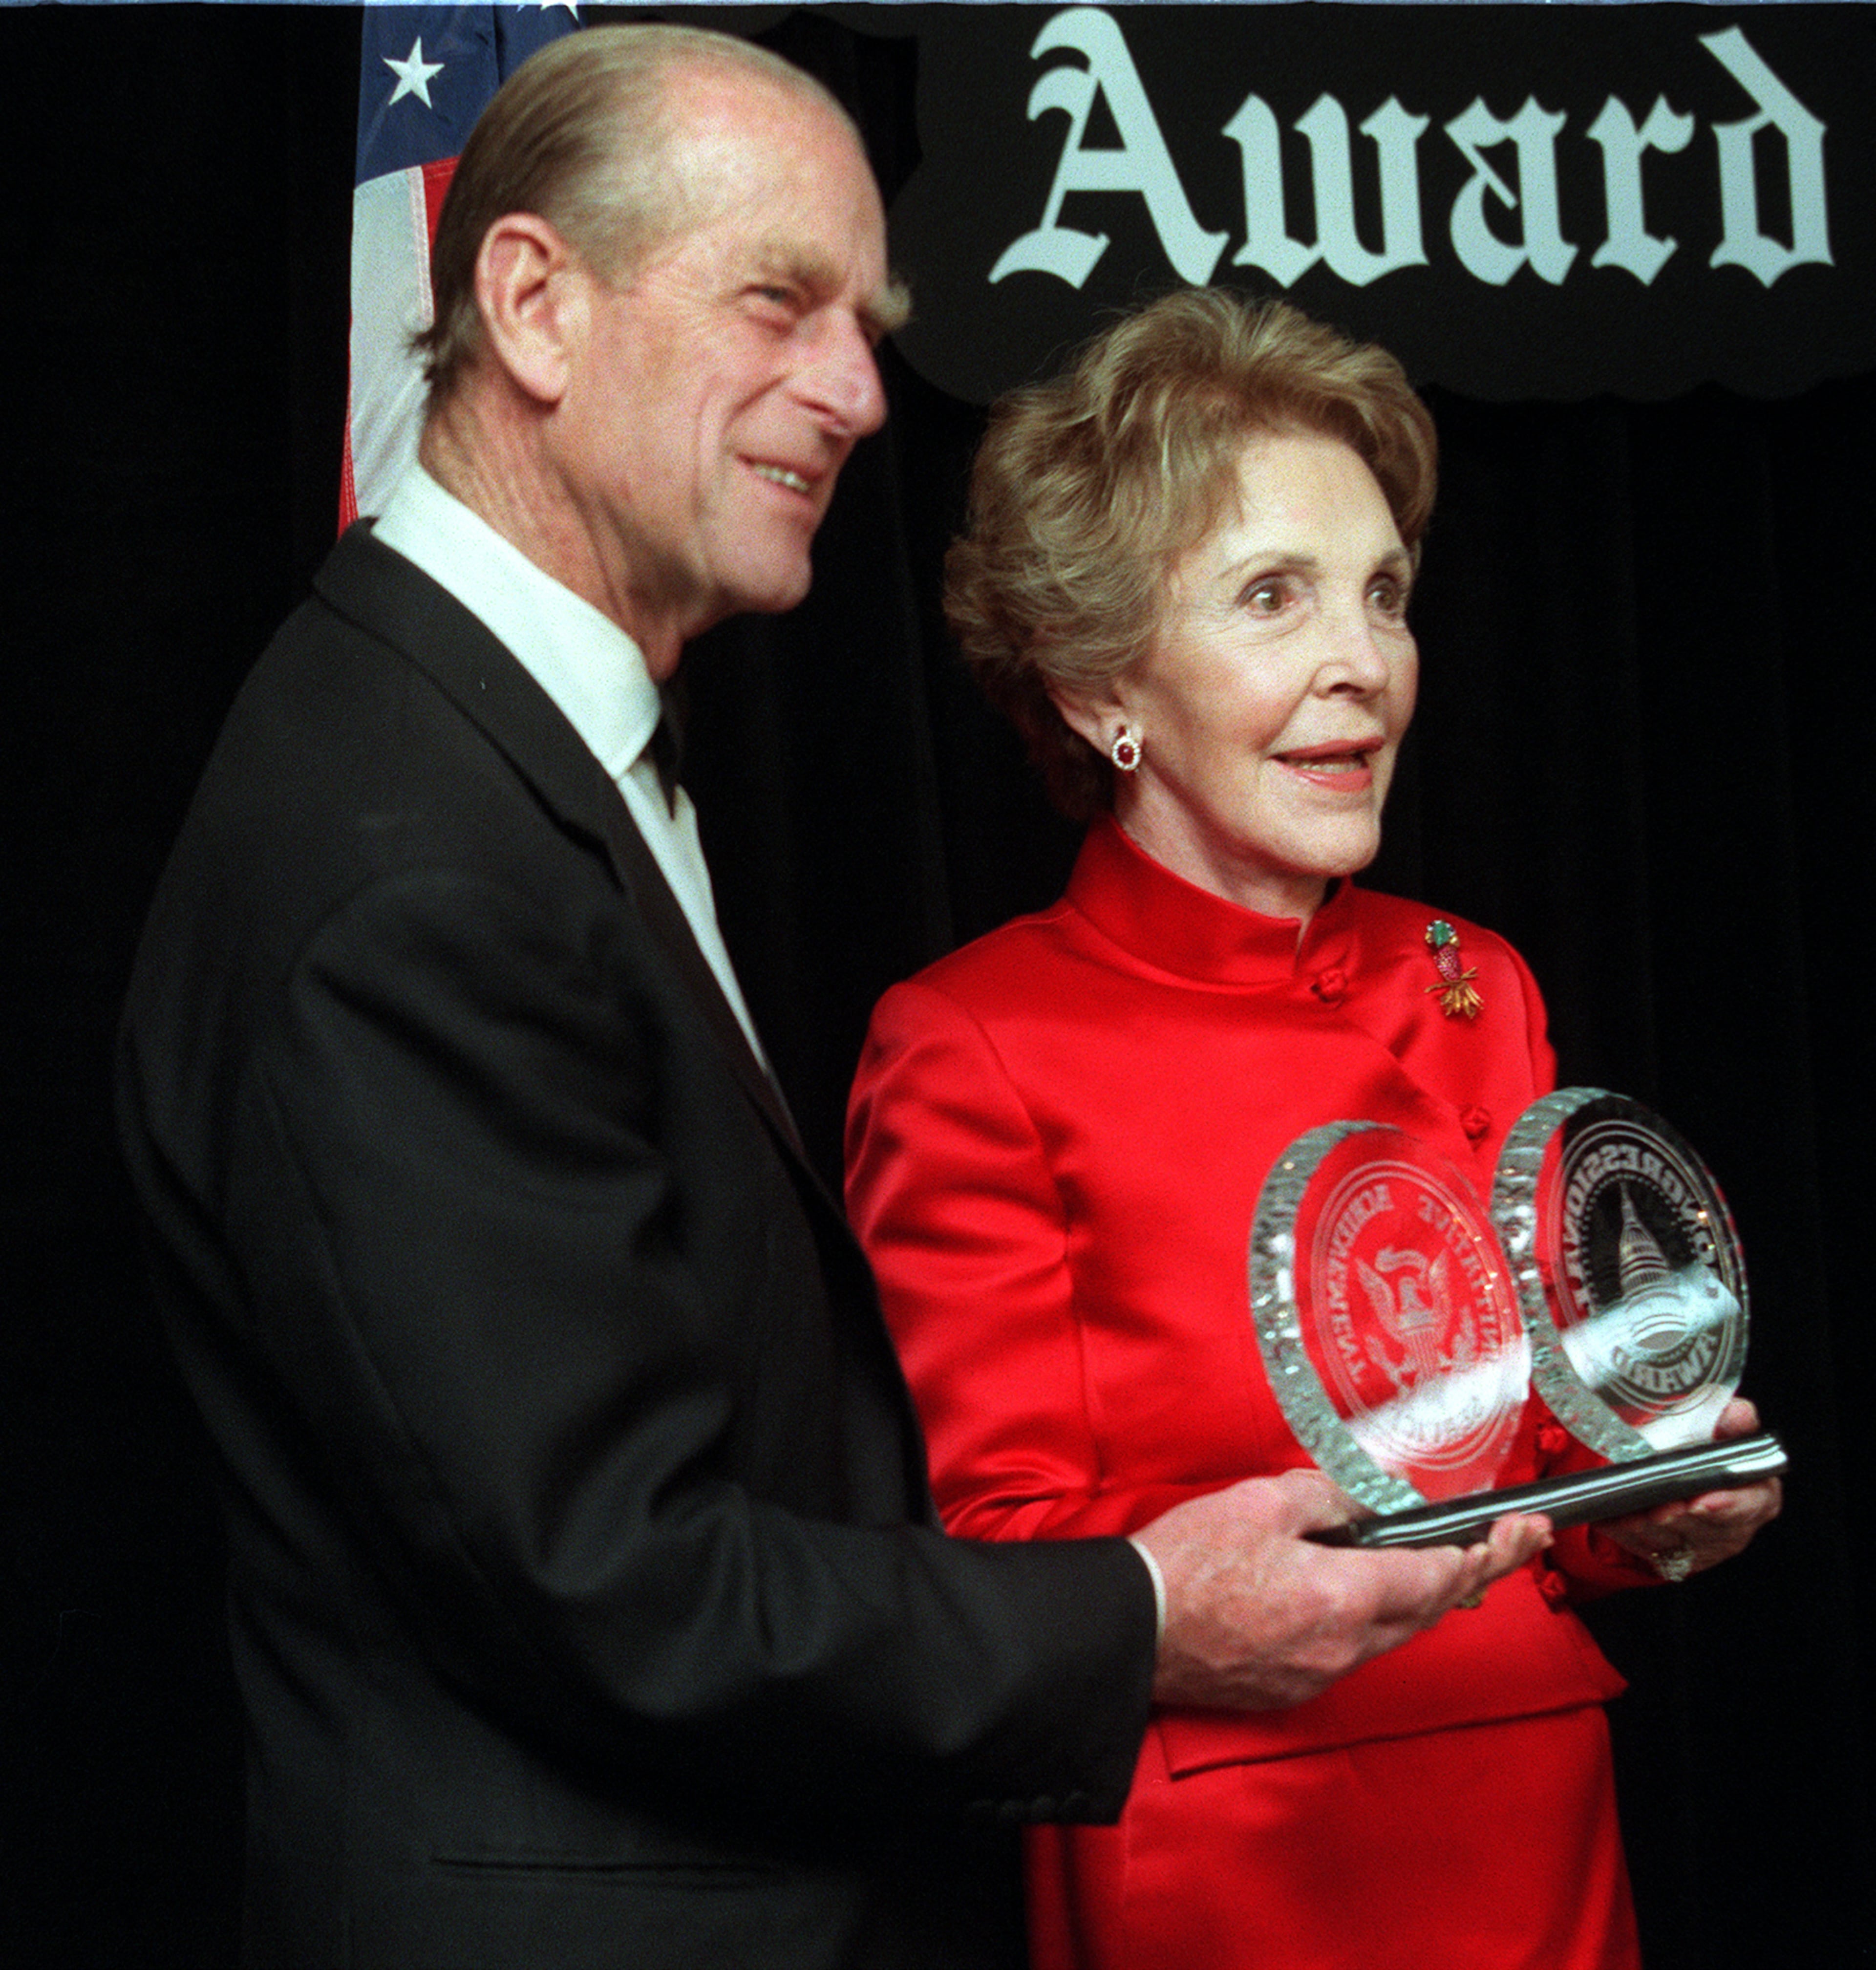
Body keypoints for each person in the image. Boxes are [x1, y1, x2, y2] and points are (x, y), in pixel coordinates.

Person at [115, 33, 1548, 1970]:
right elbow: (608, 1584)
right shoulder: (409, 847)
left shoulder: (499, 752)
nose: (862, 394)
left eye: (865, 330)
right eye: (778, 304)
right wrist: (1147, 1613)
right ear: (532, 304)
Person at [845, 290, 1781, 1970]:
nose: (1363, 664)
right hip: (1238, 1855)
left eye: (1383, 594)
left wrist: (1649, 1507)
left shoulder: (1476, 978)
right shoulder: (973, 1041)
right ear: (1098, 682)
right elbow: (993, 1574)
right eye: (1273, 596)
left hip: (1541, 1825)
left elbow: (1540, 1470)